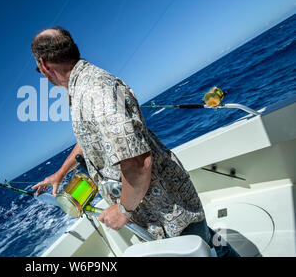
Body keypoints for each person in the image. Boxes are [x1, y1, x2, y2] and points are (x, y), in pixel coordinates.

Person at [30, 26, 239, 257]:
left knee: (204, 249)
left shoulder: (95, 91)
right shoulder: (82, 89)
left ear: (44, 65)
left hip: (166, 213)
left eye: (38, 69)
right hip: (152, 211)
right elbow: (89, 139)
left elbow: (139, 163)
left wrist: (122, 209)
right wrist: (60, 173)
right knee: (212, 244)